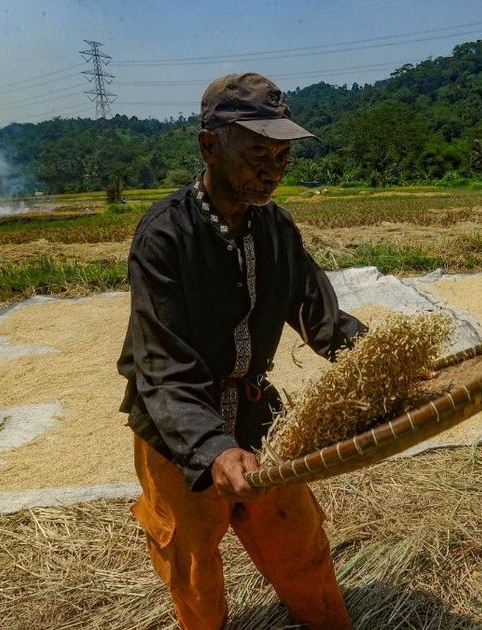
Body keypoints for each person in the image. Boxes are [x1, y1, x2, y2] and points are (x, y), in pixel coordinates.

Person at [116, 72, 365, 629]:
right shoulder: (165, 235)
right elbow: (160, 365)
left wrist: (381, 363)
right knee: (194, 568)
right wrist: (213, 450)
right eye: (258, 153)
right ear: (210, 145)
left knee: (301, 544)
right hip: (177, 431)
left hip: (256, 414)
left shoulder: (276, 228)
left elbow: (319, 317)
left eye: (282, 157)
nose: (272, 170)